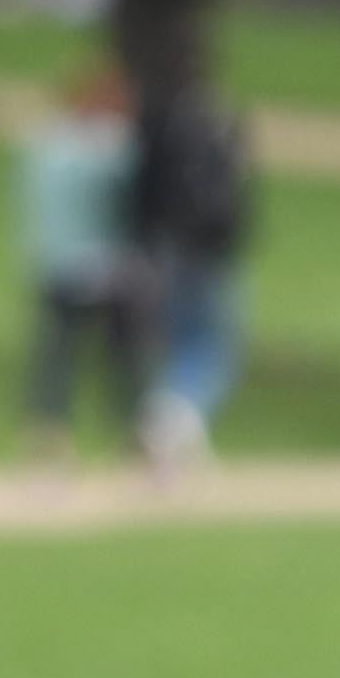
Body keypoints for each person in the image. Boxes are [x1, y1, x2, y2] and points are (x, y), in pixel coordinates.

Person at [129, 65, 254, 479]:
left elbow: (140, 189)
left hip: (167, 246)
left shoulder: (158, 124)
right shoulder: (223, 123)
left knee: (177, 340)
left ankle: (168, 431)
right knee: (214, 349)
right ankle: (173, 420)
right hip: (212, 252)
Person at [13, 64, 140, 457]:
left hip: (52, 264)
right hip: (103, 268)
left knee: (56, 356)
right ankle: (133, 438)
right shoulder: (110, 149)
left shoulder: (46, 144)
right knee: (123, 358)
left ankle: (48, 438)